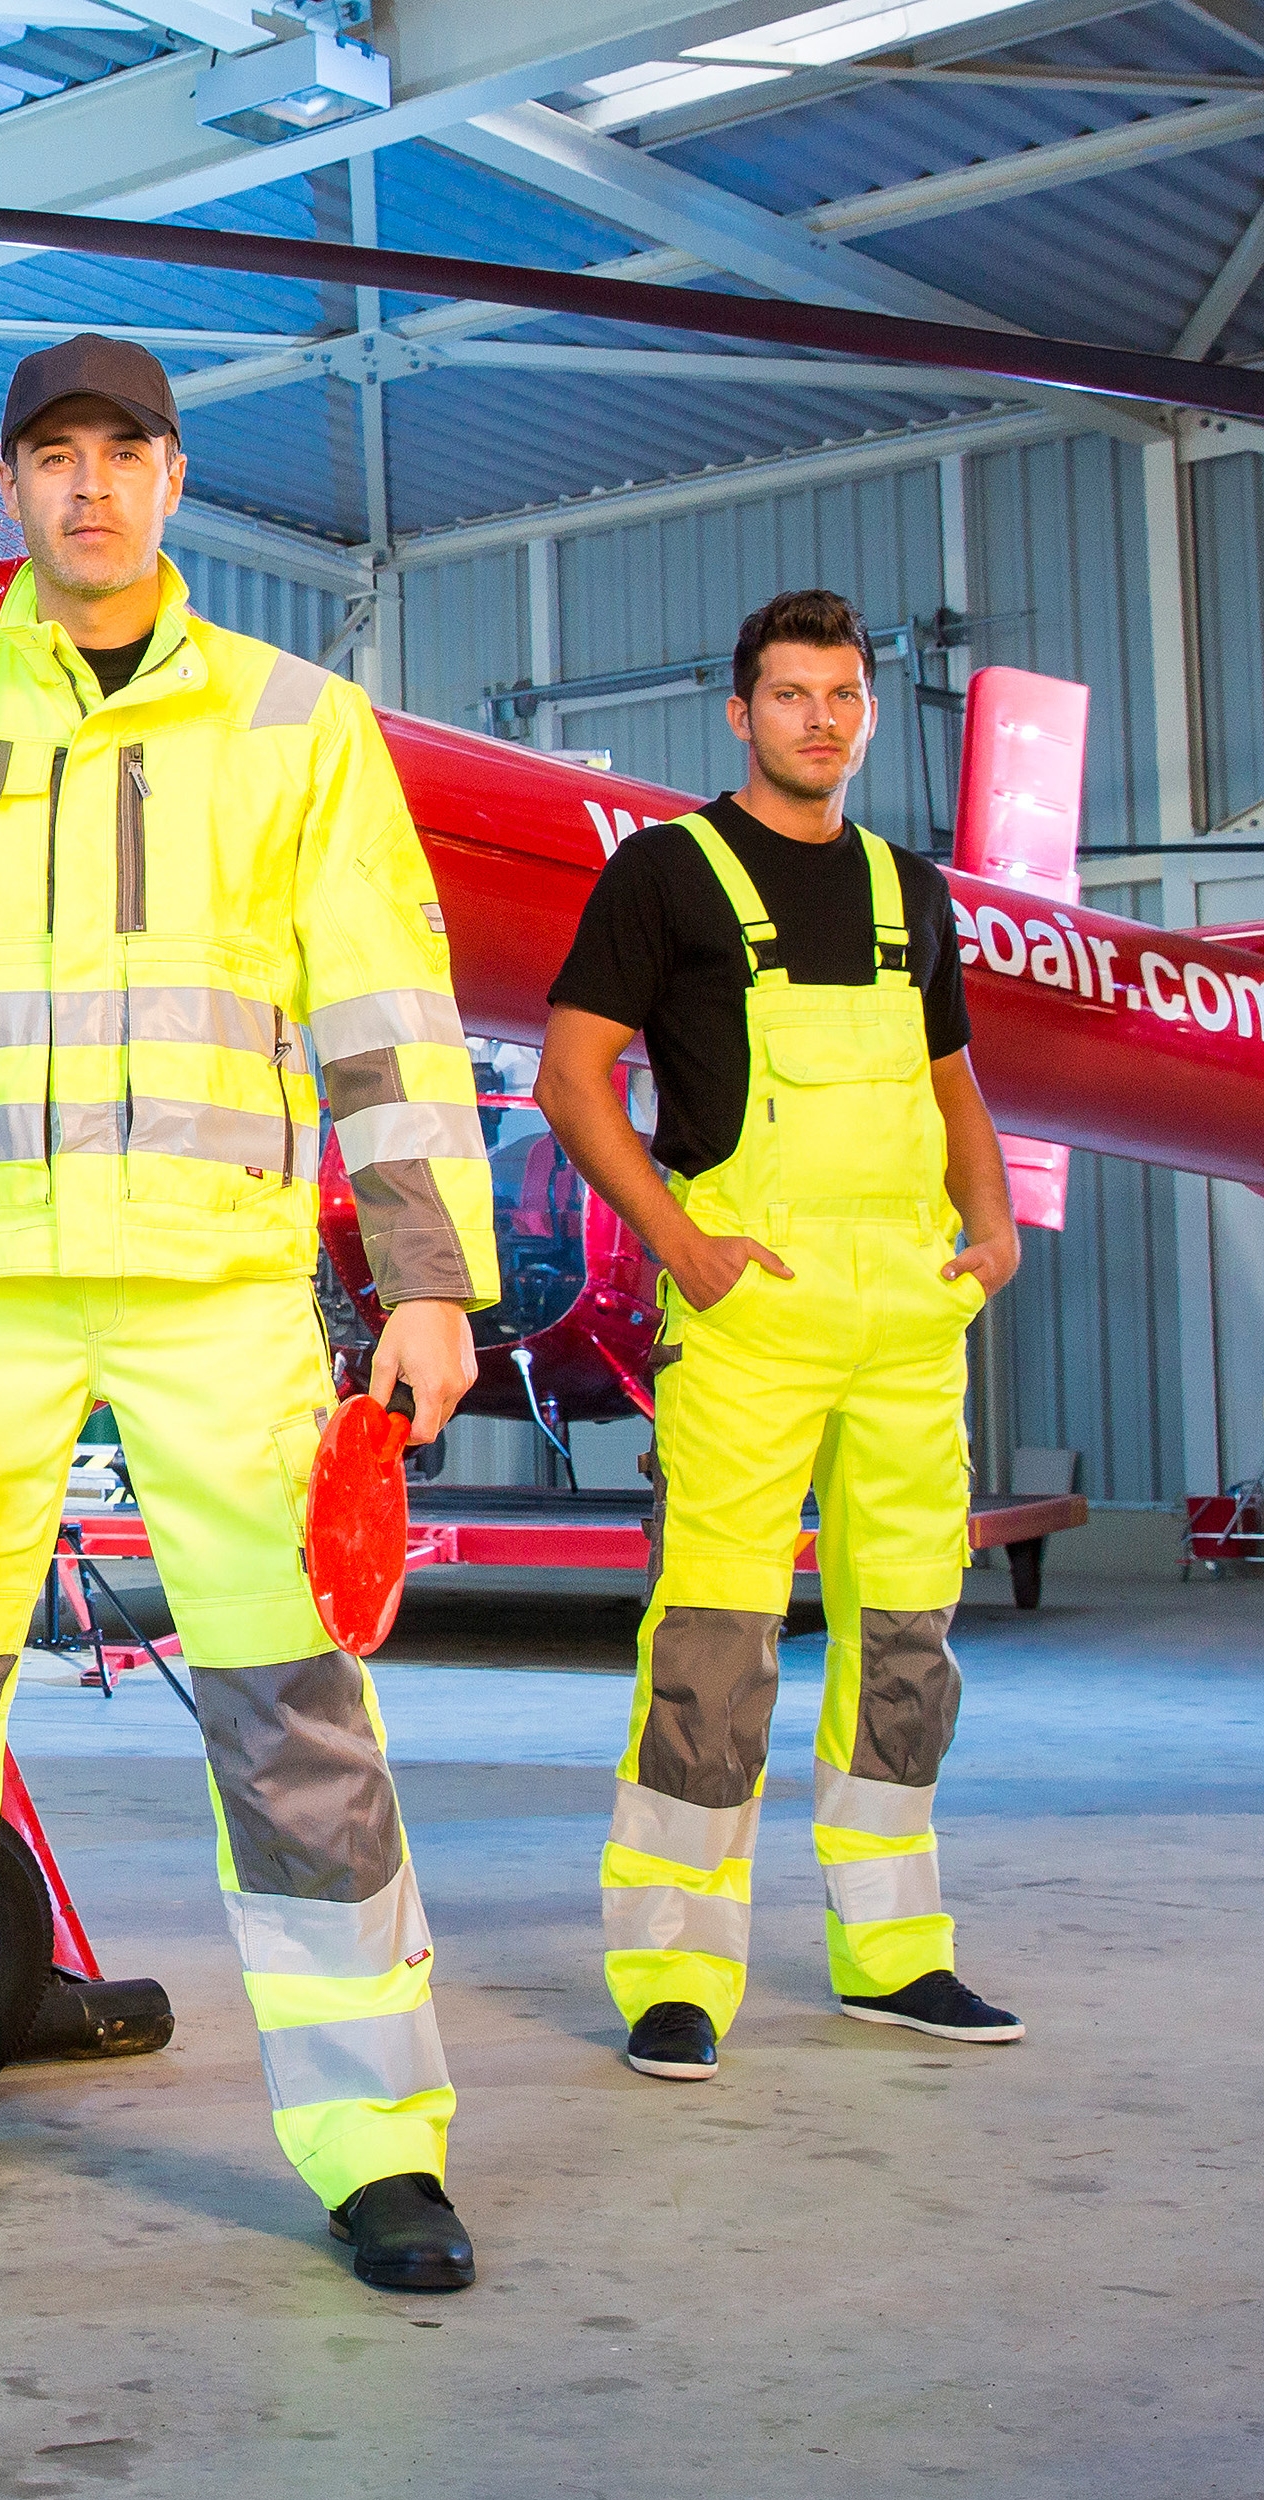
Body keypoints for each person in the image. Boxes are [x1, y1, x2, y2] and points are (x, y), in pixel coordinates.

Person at [0, 334, 499, 2292]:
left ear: (171, 478)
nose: (85, 487)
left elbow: (388, 1031)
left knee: (291, 1702)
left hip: (221, 1293)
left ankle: (372, 2138)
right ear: (2, 488)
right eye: (47, 454)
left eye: (120, 451)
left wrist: (422, 1278)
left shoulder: (298, 728)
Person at [533, 588, 1025, 2084]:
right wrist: (680, 1243)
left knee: (906, 1640)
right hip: (750, 1310)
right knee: (715, 1645)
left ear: (867, 717)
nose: (820, 717)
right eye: (791, 695)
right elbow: (570, 1074)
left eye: (844, 696)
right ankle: (675, 1971)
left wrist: (992, 1230)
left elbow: (955, 1086)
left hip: (907, 1316)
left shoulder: (907, 887)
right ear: (739, 714)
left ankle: (894, 1952)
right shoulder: (667, 876)